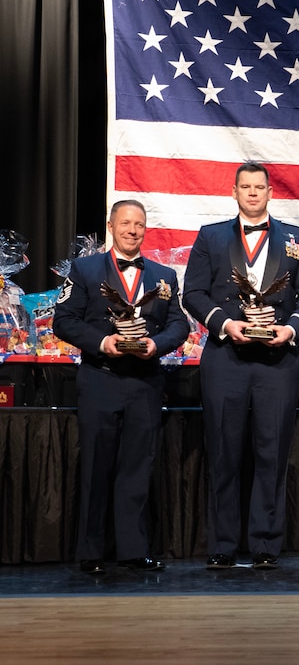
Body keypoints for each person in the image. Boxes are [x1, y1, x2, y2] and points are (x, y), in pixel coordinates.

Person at [183, 161, 299, 570]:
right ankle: (223, 544)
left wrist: (292, 328)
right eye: (246, 187)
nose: (253, 193)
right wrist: (226, 323)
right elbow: (193, 293)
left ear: (270, 192)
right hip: (226, 358)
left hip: (278, 360)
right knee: (224, 453)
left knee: (272, 453)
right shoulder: (211, 236)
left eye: (260, 187)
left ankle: (265, 544)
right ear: (235, 192)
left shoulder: (296, 237)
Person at [54, 199, 190, 575]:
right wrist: (102, 343)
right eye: (126, 223)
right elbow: (63, 321)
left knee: (137, 468)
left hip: (145, 383)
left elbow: (180, 325)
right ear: (111, 225)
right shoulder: (84, 268)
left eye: (140, 224)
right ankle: (92, 551)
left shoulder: (164, 276)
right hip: (100, 379)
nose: (133, 230)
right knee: (97, 468)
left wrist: (156, 345)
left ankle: (133, 549)